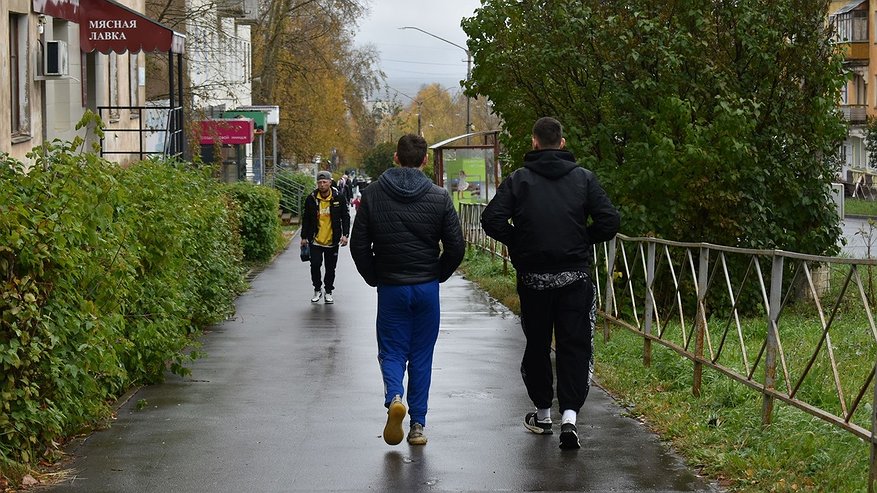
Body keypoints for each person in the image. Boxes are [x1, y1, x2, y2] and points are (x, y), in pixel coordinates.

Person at [481, 117, 620, 450]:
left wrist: (519, 243)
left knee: (538, 343)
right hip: (575, 276)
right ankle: (570, 418)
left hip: (534, 279)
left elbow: (490, 219)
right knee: (574, 345)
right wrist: (583, 239)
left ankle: (543, 415)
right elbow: (610, 221)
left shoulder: (519, 180)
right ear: (562, 142)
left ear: (534, 142)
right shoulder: (583, 179)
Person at [350, 134, 465, 447]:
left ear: (395, 157)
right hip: (426, 288)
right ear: (425, 160)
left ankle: (394, 396)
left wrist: (374, 277)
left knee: (391, 350)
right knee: (421, 356)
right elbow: (456, 246)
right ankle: (417, 426)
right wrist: (437, 274)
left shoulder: (372, 194)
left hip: (391, 287)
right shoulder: (439, 196)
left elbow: (359, 244)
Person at [301, 170, 350, 304]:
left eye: (324, 182)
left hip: (332, 240)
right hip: (315, 240)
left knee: (330, 268)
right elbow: (305, 218)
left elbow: (345, 217)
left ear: (330, 182)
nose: (322, 185)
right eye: (319, 182)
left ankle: (328, 291)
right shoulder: (311, 198)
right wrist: (303, 237)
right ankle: (317, 289)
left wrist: (345, 235)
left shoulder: (338, 197)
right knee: (315, 265)